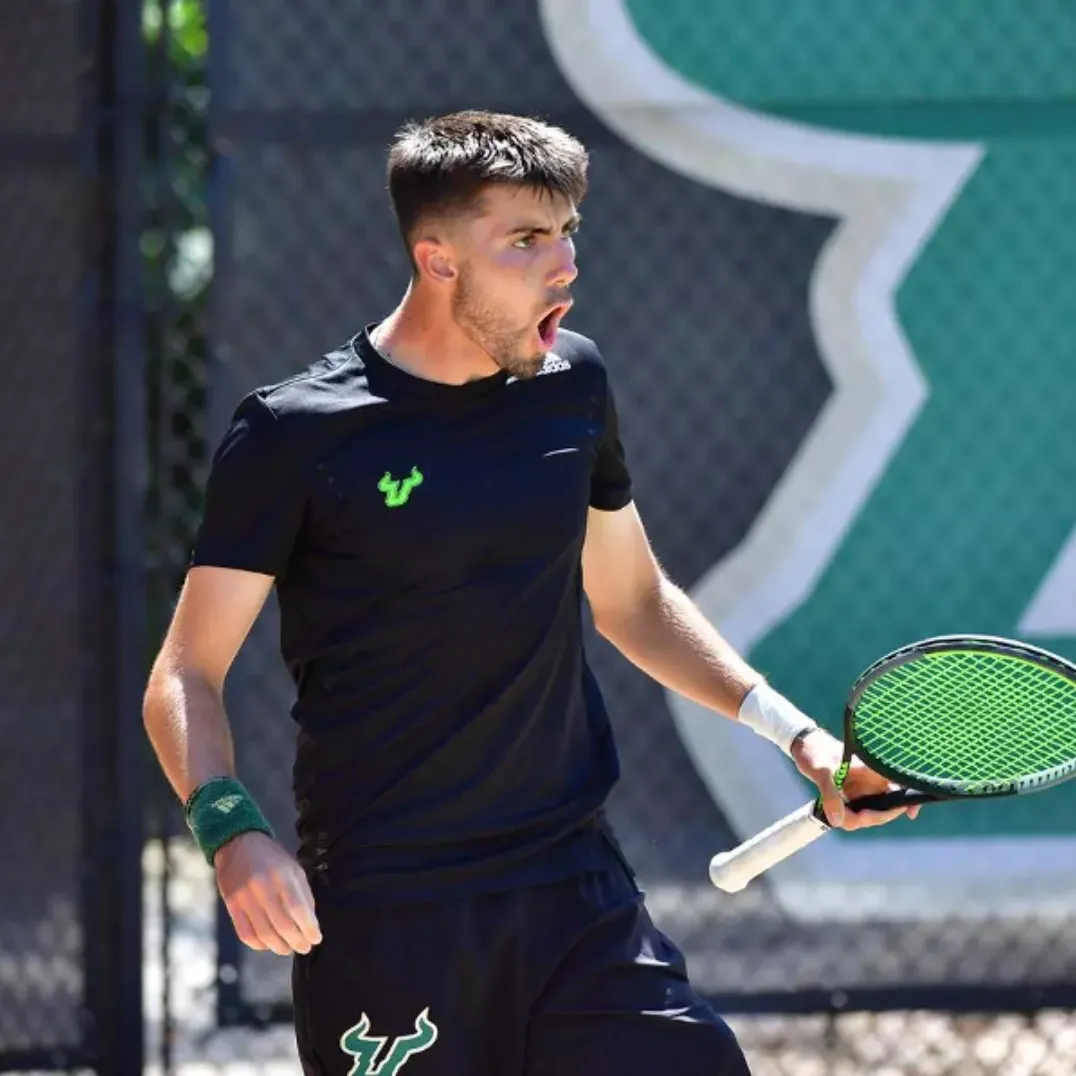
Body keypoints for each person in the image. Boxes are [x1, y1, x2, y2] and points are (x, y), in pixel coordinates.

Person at [142, 110, 918, 1076]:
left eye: (567, 233)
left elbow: (632, 600)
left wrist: (799, 739)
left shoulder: (572, 384)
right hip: (391, 912)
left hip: (571, 891)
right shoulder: (295, 435)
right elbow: (186, 671)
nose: (562, 265)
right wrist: (229, 831)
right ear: (437, 260)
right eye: (524, 241)